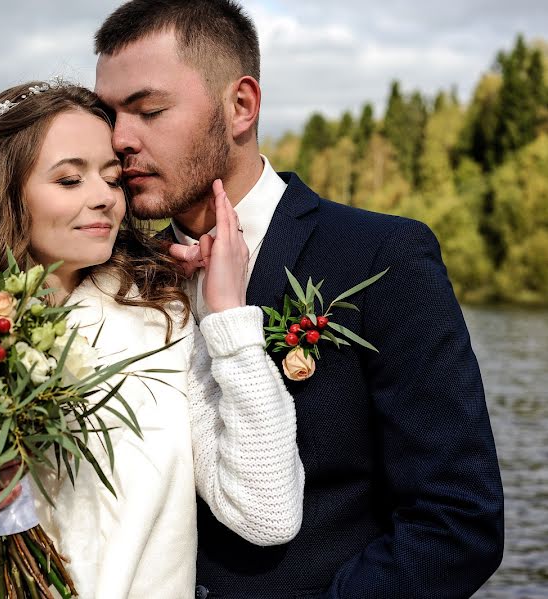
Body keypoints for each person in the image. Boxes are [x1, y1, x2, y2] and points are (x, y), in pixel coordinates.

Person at [92, 1, 504, 598]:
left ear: (241, 106)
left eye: (149, 110)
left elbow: (456, 521)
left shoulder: (381, 256)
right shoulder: (115, 277)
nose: (120, 140)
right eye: (108, 116)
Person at [0, 81, 304, 598]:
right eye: (70, 179)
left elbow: (267, 513)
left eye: (112, 178)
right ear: (6, 193)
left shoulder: (163, 319)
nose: (103, 197)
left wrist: (230, 317)